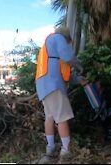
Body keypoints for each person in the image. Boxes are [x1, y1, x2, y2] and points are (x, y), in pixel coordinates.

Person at [35, 26, 86, 160]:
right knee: (62, 117)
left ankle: (50, 148)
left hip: (43, 86)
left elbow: (64, 73)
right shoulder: (57, 38)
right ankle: (66, 150)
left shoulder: (49, 49)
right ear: (66, 37)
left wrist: (79, 80)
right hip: (53, 85)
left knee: (50, 117)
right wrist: (80, 66)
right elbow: (68, 56)